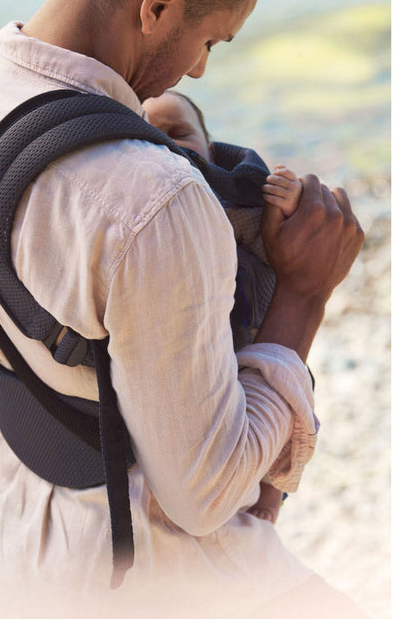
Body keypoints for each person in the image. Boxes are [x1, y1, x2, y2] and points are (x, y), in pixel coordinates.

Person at [0, 0, 366, 617]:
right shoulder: (152, 199)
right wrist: (304, 292)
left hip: (20, 543)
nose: (199, 68)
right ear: (160, 5)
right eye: (209, 39)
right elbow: (205, 496)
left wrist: (56, 370)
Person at [143, 89, 302, 525]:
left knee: (290, 395)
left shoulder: (232, 197)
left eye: (179, 132)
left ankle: (272, 492)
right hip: (199, 344)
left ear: (210, 149)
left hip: (253, 331)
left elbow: (273, 240)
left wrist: (287, 202)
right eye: (147, 133)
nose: (166, 143)